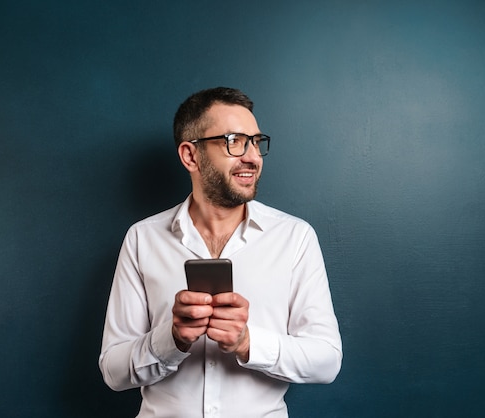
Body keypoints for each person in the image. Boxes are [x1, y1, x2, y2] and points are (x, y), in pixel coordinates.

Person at [99, 87, 342, 417]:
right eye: (235, 141)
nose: (252, 157)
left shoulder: (294, 237)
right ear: (190, 155)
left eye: (256, 142)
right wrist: (173, 339)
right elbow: (113, 372)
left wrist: (247, 342)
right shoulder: (143, 239)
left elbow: (326, 360)